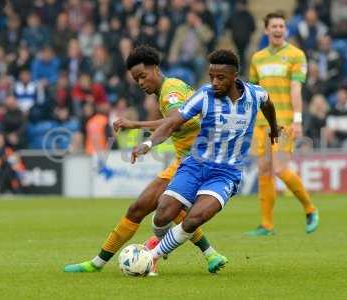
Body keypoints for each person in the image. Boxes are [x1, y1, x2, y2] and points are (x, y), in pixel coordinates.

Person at [64, 45, 226, 275]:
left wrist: (136, 126)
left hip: (196, 162)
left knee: (159, 209)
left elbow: (174, 121)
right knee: (146, 208)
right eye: (135, 79)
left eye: (142, 76)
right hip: (186, 160)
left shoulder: (170, 92)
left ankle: (112, 261)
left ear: (156, 69)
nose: (140, 82)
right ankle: (210, 254)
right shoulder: (170, 89)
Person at [131, 49, 280, 273]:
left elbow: (268, 104)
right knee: (162, 214)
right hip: (195, 165)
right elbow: (172, 123)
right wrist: (149, 144)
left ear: (234, 76)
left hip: (226, 174)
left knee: (194, 219)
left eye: (220, 78)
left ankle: (150, 257)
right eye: (211, 77)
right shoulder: (204, 95)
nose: (214, 82)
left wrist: (274, 128)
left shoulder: (254, 94)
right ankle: (158, 246)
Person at [247, 12, 319, 236]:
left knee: (279, 168)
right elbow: (253, 92)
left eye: (282, 26)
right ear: (266, 29)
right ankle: (266, 225)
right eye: (274, 26)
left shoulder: (296, 55)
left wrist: (297, 119)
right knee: (264, 171)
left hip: (284, 121)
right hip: (261, 123)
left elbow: (296, 89)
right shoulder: (257, 58)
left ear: (285, 30)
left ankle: (310, 209)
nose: (278, 29)